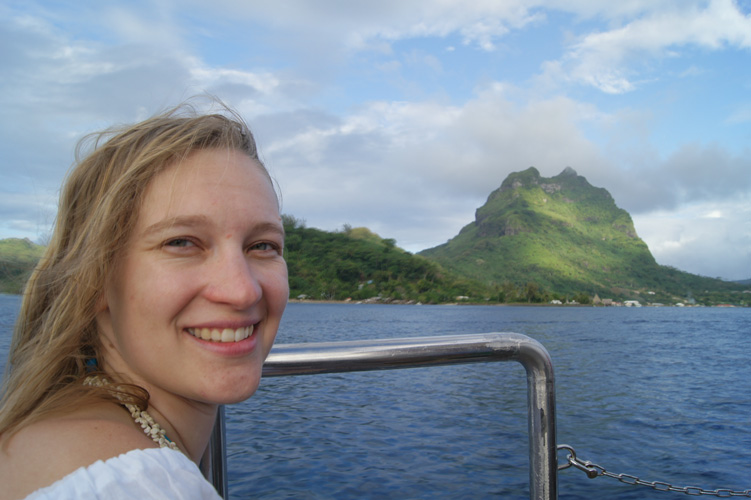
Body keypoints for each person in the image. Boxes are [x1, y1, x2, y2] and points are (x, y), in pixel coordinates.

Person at [0, 101, 289, 499]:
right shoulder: (137, 484)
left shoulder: (51, 435)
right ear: (96, 278)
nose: (242, 291)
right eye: (182, 242)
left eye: (262, 245)